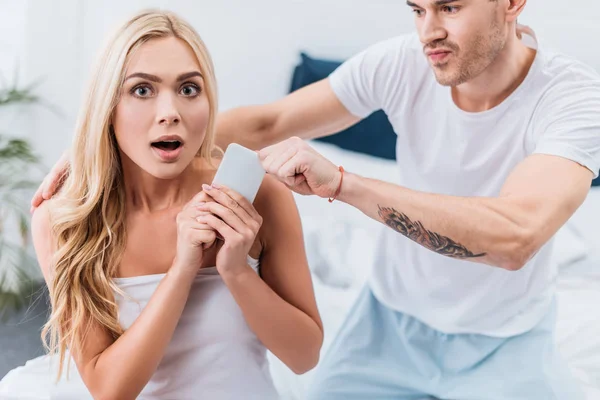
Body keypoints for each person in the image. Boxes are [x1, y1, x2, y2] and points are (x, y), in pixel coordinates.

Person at [32, 1, 600, 399]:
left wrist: (342, 183)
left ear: (512, 2)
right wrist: (108, 143)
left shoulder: (571, 100)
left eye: (448, 7)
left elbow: (517, 236)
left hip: (506, 337)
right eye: (417, 9)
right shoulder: (406, 61)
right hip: (387, 323)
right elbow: (271, 119)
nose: (429, 32)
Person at [8, 9, 323, 400]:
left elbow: (305, 356)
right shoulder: (63, 220)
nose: (170, 112)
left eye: (189, 89)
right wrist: (183, 267)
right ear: (108, 105)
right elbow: (109, 390)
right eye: (142, 90)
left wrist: (236, 270)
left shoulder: (260, 197)